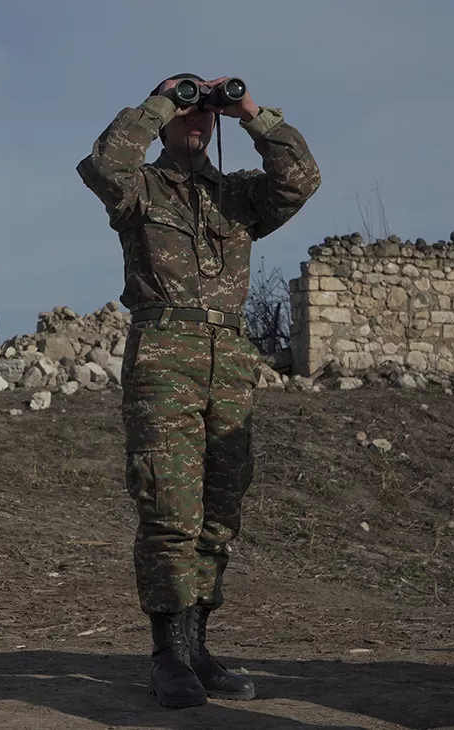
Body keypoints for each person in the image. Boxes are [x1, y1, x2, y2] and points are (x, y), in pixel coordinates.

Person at [75, 73, 321, 708]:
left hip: (231, 363)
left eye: (203, 111)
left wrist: (250, 113)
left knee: (220, 513)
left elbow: (300, 180)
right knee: (169, 508)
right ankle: (169, 657)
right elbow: (104, 164)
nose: (196, 118)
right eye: (187, 109)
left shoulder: (238, 196)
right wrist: (162, 101)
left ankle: (198, 647)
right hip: (164, 357)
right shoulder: (140, 188)